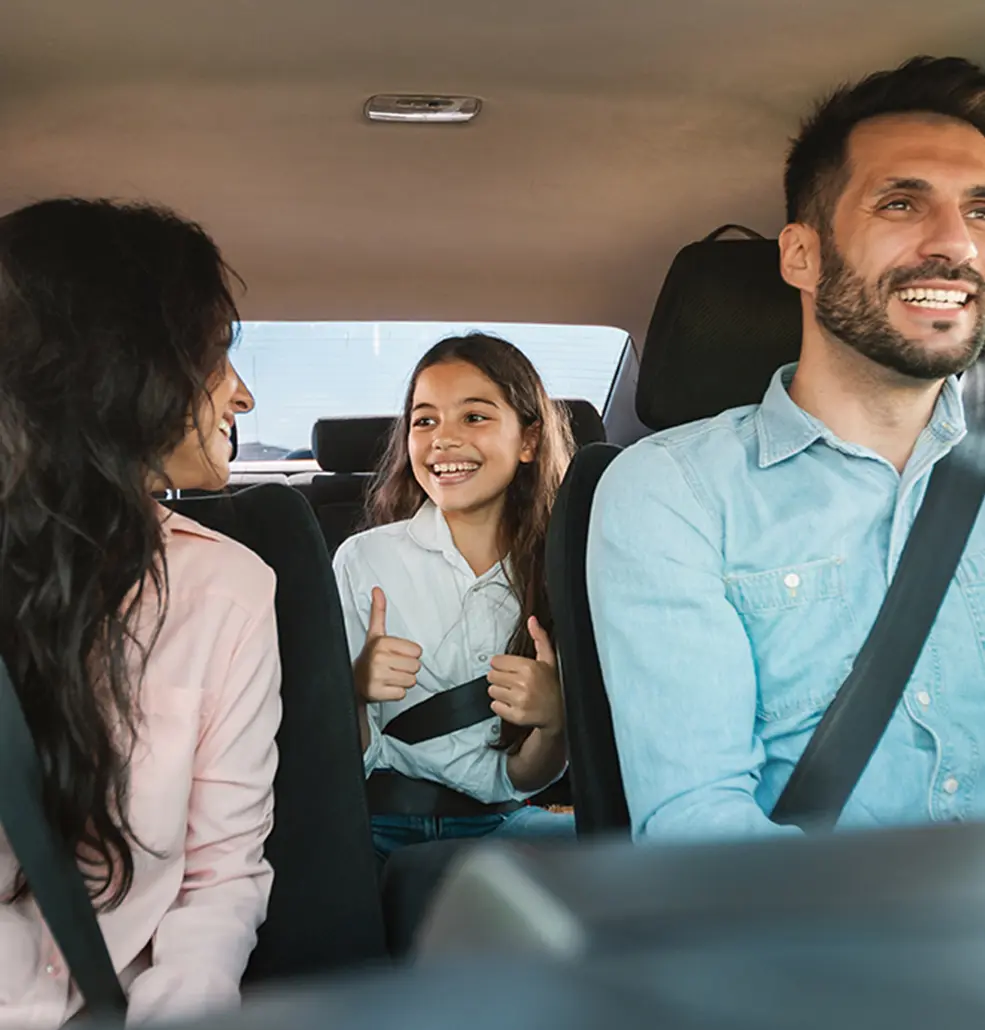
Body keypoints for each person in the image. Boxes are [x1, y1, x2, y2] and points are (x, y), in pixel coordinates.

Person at [587, 56, 985, 841]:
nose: (957, 245)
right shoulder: (672, 491)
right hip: (814, 951)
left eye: (981, 211)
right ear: (800, 255)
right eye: (902, 202)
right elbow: (698, 832)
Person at [0, 199, 282, 1026]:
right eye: (219, 358)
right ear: (126, 371)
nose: (245, 397)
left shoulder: (232, 588)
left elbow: (221, 873)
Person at [333, 333, 576, 858]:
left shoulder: (563, 566)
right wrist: (353, 690)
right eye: (425, 421)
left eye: (474, 417)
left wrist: (554, 718)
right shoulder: (364, 560)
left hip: (505, 825)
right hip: (379, 823)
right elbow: (341, 757)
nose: (443, 440)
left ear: (528, 441)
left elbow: (523, 778)